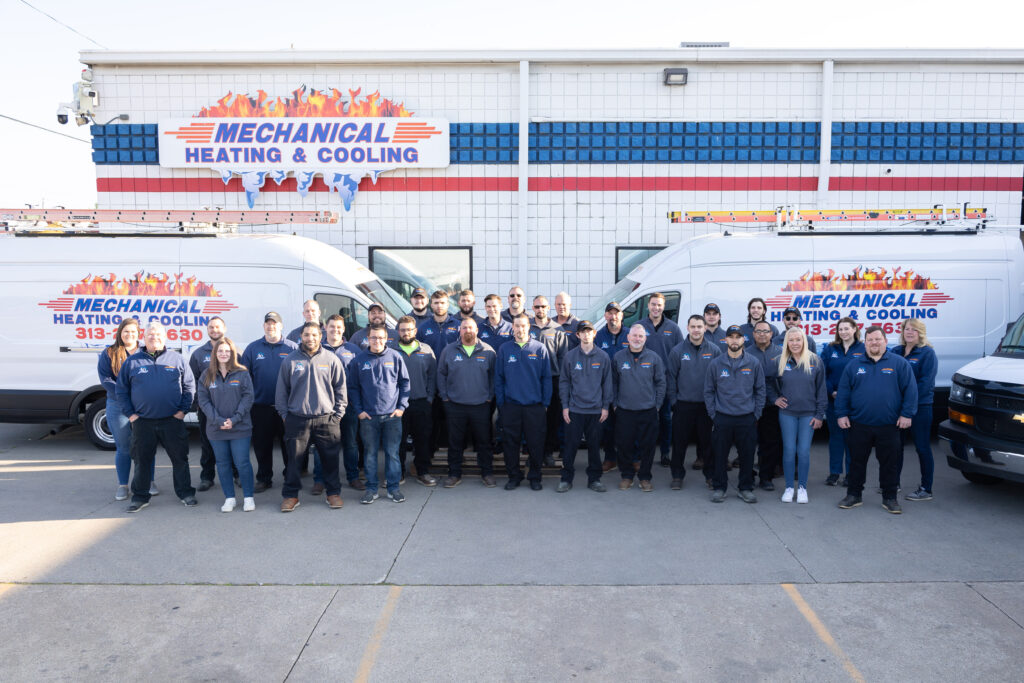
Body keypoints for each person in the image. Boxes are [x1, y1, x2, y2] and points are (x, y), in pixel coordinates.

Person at [116, 322, 197, 512]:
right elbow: (121, 391)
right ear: (144, 338)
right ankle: (140, 497)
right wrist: (131, 415)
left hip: (172, 420)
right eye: (150, 335)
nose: (154, 338)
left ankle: (185, 493)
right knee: (141, 461)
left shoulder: (177, 359)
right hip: (143, 422)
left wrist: (182, 411)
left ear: (165, 337)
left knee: (180, 459)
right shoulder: (132, 362)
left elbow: (189, 386)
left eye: (158, 334)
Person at [836, 326, 918, 515]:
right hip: (859, 424)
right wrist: (841, 414)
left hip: (889, 425)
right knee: (856, 462)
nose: (874, 343)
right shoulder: (854, 365)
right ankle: (854, 495)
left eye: (878, 339)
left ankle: (890, 498)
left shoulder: (899, 363)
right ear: (865, 343)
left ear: (885, 341)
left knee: (890, 464)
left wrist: (907, 414)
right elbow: (843, 391)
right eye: (870, 340)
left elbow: (911, 390)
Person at [275, 322, 347, 512]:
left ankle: (333, 493)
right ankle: (290, 496)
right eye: (307, 335)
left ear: (320, 336)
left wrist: (338, 415)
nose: (310, 338)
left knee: (330, 460)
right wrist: (285, 415)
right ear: (301, 336)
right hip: (297, 419)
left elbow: (341, 389)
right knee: (294, 461)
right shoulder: (290, 360)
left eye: (314, 335)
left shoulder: (331, 359)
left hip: (327, 419)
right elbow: (281, 391)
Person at [349, 324, 411, 504]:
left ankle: (393, 489)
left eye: (381, 337)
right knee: (370, 454)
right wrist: (359, 411)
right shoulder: (359, 360)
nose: (377, 341)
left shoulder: (396, 357)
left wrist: (401, 407)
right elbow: (353, 388)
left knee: (392, 454)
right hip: (368, 418)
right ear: (368, 339)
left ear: (387, 339)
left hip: (392, 416)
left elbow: (405, 383)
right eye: (374, 337)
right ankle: (371, 489)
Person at [704, 325, 766, 504]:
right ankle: (720, 487)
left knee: (747, 455)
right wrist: (713, 414)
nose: (734, 340)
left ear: (743, 340)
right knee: (719, 455)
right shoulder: (716, 364)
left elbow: (760, 390)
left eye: (738, 337)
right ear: (726, 340)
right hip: (722, 417)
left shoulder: (753, 363)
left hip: (746, 417)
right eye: (731, 337)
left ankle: (745, 488)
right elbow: (708, 391)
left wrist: (756, 414)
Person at [98, 317, 156, 501]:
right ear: (120, 333)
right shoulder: (109, 353)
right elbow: (106, 379)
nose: (129, 335)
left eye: (133, 331)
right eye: (126, 331)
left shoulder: (146, 351)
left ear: (138, 333)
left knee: (146, 446)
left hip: (143, 406)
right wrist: (125, 393)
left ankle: (149, 481)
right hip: (118, 405)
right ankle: (123, 485)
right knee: (124, 447)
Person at [436, 318, 497, 487]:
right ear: (459, 330)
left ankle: (487, 473)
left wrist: (489, 396)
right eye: (464, 328)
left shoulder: (488, 351)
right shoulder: (449, 350)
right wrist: (445, 396)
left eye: (470, 327)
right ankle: (454, 474)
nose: (467, 330)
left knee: (484, 442)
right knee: (455, 442)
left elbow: (494, 376)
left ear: (477, 330)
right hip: (455, 405)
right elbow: (441, 374)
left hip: (480, 405)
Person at [197, 337, 256, 512]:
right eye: (220, 351)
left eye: (227, 351)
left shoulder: (242, 373)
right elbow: (203, 400)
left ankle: (248, 497)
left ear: (233, 354)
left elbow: (248, 397)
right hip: (216, 429)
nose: (224, 354)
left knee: (242, 462)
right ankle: (230, 498)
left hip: (240, 427)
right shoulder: (206, 375)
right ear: (215, 353)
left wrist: (235, 419)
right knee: (222, 464)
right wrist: (218, 420)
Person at [241, 312, 297, 492]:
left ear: (281, 326)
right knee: (262, 445)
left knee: (289, 445)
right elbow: (244, 378)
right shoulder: (252, 348)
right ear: (263, 326)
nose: (271, 326)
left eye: (274, 323)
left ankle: (290, 476)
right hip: (261, 407)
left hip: (287, 408)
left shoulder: (292, 348)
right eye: (268, 323)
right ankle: (264, 478)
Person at [770, 327, 826, 504]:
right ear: (787, 342)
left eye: (798, 339)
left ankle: (802, 487)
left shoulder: (815, 361)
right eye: (791, 340)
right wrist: (774, 399)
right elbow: (767, 383)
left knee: (803, 451)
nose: (795, 343)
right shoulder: (779, 361)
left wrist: (819, 414)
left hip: (808, 414)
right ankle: (788, 487)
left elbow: (821, 390)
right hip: (787, 413)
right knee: (789, 450)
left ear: (804, 341)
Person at [496, 313, 552, 490]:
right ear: (512, 328)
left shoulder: (540, 349)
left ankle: (535, 477)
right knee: (510, 444)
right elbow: (499, 378)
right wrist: (501, 403)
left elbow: (546, 378)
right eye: (517, 326)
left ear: (529, 327)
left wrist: (545, 403)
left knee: (536, 444)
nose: (520, 329)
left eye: (523, 325)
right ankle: (514, 476)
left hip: (534, 407)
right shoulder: (504, 349)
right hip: (511, 406)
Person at [666, 314, 721, 489]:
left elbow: (719, 379)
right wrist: (674, 401)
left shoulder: (714, 350)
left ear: (705, 328)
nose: (696, 330)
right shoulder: (677, 351)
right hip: (683, 404)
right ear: (687, 328)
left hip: (706, 406)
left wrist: (715, 403)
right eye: (693, 327)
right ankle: (677, 475)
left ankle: (710, 475)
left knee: (707, 443)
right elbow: (671, 378)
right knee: (679, 443)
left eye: (699, 326)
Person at [559, 320, 613, 492]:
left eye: (589, 331)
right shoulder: (570, 357)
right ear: (578, 335)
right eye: (583, 331)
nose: (586, 334)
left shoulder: (603, 357)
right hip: (575, 410)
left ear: (594, 333)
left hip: (596, 411)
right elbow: (564, 382)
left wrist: (605, 407)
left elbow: (607, 384)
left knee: (594, 447)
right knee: (570, 446)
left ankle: (594, 479)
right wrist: (565, 406)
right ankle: (566, 479)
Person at [612, 324, 666, 492]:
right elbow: (613, 383)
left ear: (645, 338)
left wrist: (657, 405)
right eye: (634, 335)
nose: (637, 339)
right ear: (628, 338)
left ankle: (645, 477)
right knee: (624, 445)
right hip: (625, 410)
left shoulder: (654, 358)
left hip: (648, 410)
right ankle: (627, 476)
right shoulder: (618, 357)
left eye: (640, 336)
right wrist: (615, 404)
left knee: (648, 447)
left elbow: (661, 383)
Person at [894, 319, 938, 501]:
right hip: (898, 407)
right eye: (907, 329)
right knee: (896, 447)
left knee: (922, 447)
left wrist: (907, 405)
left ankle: (926, 488)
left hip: (920, 407)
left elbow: (924, 384)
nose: (910, 332)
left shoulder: (927, 353)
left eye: (914, 330)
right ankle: (893, 483)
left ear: (920, 333)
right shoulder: (896, 352)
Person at [322, 314, 365, 493]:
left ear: (344, 329)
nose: (335, 330)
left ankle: (353, 477)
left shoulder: (353, 349)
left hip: (349, 405)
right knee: (323, 444)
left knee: (350, 443)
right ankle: (320, 479)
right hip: (324, 405)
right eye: (332, 326)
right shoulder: (318, 348)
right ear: (325, 327)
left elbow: (361, 376)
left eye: (339, 327)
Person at [638, 293, 681, 468]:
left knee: (665, 419)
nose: (656, 308)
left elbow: (679, 354)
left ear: (664, 307)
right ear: (648, 305)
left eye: (659, 305)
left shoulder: (673, 328)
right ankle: (642, 453)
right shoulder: (640, 326)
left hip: (665, 381)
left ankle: (665, 453)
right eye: (653, 304)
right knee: (644, 420)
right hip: (644, 382)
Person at [820, 318, 864, 486]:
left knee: (852, 439)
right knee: (836, 437)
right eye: (840, 329)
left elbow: (865, 374)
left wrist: (849, 394)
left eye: (847, 328)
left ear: (854, 329)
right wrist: (831, 391)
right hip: (834, 401)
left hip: (855, 402)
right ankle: (834, 473)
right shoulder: (830, 349)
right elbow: (822, 373)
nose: (843, 332)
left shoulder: (863, 349)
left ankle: (851, 474)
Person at [395, 316, 437, 487]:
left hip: (421, 402)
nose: (406, 333)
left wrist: (430, 398)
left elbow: (432, 376)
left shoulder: (426, 350)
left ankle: (422, 472)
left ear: (415, 331)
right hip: (398, 405)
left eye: (409, 330)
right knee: (398, 441)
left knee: (422, 440)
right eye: (403, 330)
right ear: (398, 331)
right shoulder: (391, 350)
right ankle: (398, 473)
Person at [529, 296, 569, 466]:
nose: (540, 309)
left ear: (548, 308)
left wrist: (561, 382)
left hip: (552, 380)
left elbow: (563, 357)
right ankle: (533, 454)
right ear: (533, 308)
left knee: (552, 419)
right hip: (531, 381)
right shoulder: (527, 327)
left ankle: (548, 452)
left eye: (543, 306)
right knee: (533, 420)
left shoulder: (558, 329)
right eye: (537, 306)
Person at [189, 316, 227, 492]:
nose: (214, 330)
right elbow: (192, 381)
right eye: (211, 327)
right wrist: (198, 404)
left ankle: (235, 475)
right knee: (207, 443)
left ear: (224, 329)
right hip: (206, 408)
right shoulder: (198, 354)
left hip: (229, 407)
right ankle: (207, 477)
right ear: (207, 330)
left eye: (217, 327)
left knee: (231, 442)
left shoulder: (234, 351)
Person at [746, 321, 783, 491]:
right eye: (758, 331)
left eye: (765, 331)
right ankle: (748, 476)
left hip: (771, 407)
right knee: (748, 443)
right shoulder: (746, 353)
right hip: (750, 406)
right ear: (753, 334)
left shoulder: (780, 353)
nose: (762, 334)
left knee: (770, 443)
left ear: (771, 334)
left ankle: (766, 477)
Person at [595, 301, 628, 472]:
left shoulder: (630, 334)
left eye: (616, 313)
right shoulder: (598, 336)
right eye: (610, 313)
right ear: (605, 316)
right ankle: (610, 458)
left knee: (627, 426)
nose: (613, 316)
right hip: (605, 388)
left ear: (622, 315)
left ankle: (631, 458)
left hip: (627, 388)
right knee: (607, 426)